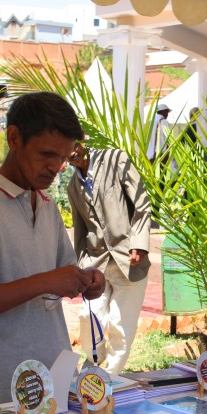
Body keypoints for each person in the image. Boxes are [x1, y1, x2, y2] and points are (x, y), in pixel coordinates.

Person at [0, 92, 105, 406]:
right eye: (46, 154)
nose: (56, 167)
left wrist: (87, 282)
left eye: (63, 157)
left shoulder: (45, 204)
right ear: (14, 138)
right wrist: (45, 282)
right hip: (2, 396)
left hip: (54, 385)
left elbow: (62, 275)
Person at [66, 142, 151, 375]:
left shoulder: (116, 160)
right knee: (88, 316)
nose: (71, 151)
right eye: (65, 148)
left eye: (74, 144)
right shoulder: (73, 186)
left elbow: (142, 203)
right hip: (96, 266)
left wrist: (139, 244)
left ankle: (109, 379)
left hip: (130, 262)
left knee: (120, 328)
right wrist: (80, 265)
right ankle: (94, 363)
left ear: (82, 139)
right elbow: (80, 229)